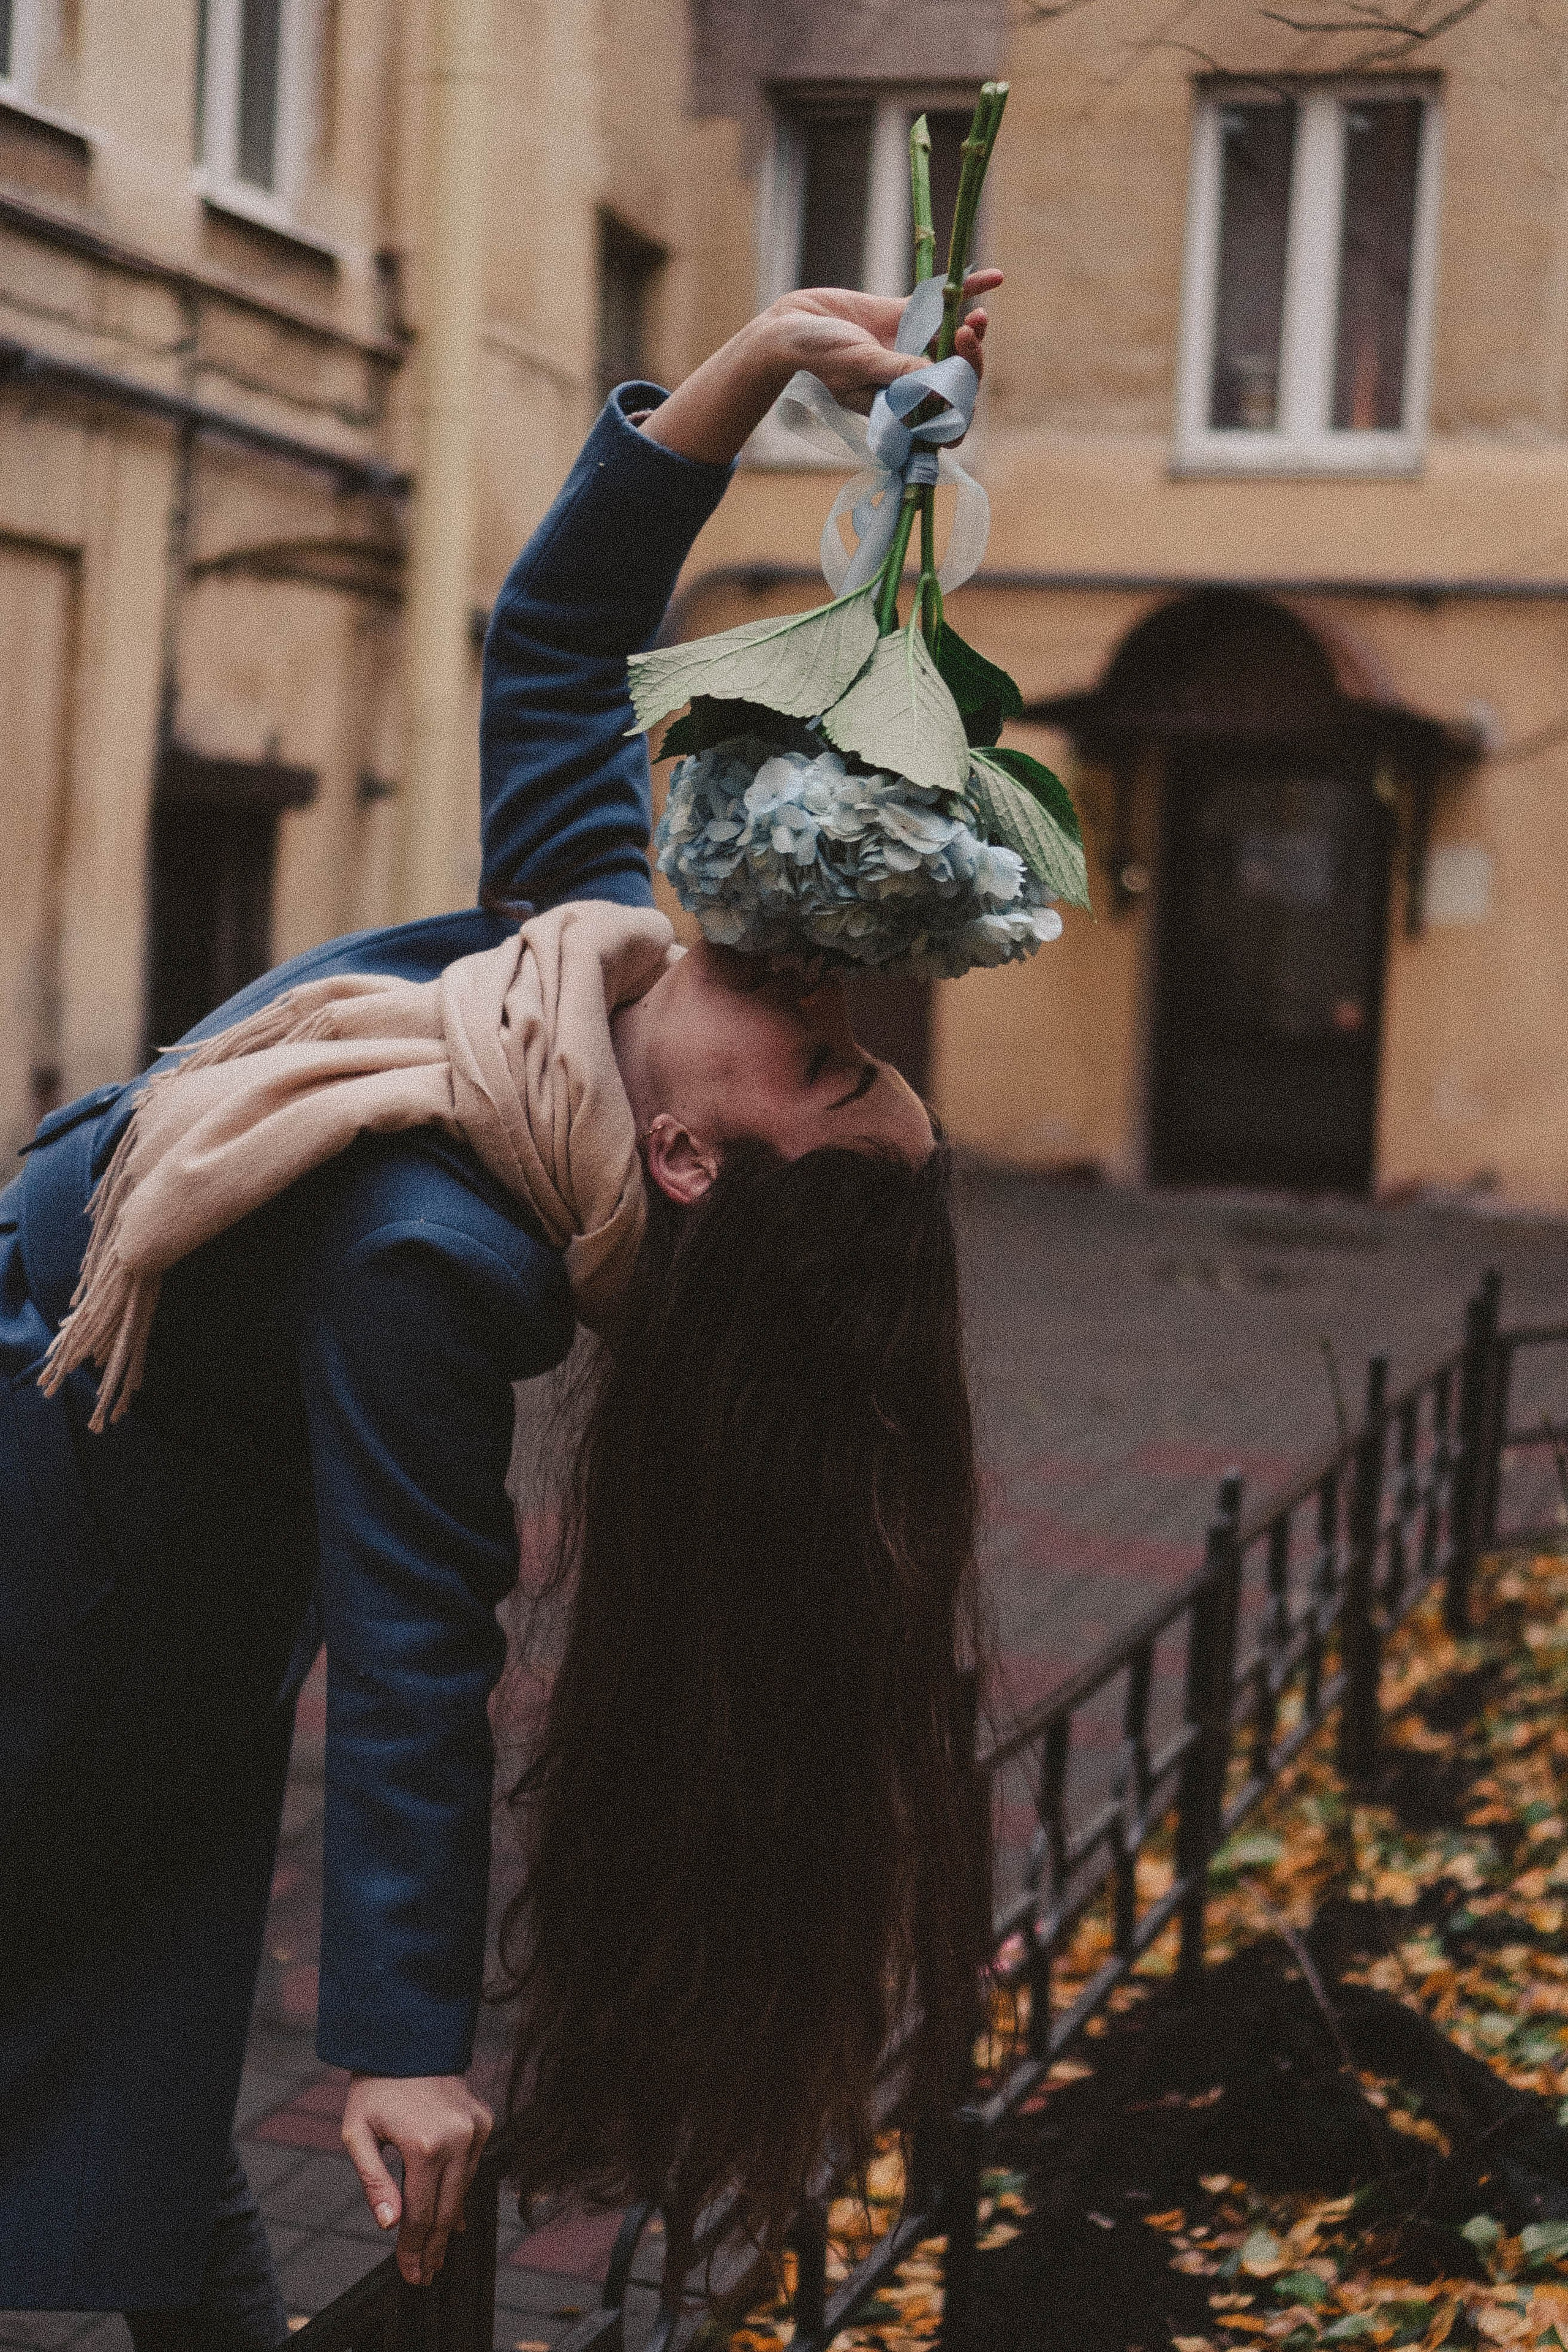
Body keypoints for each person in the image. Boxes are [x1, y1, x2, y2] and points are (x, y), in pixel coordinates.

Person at [0, 271, 1000, 2340]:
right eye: (867, 1039)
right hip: (104, 1509)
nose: (829, 1001)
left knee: (105, 2057)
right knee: (131, 2099)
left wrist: (400, 2043)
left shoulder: (432, 1263)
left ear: (693, 1163)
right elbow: (556, 643)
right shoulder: (597, 958)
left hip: (70, 1612)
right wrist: (753, 376)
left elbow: (417, 1659)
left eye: (829, 1069)